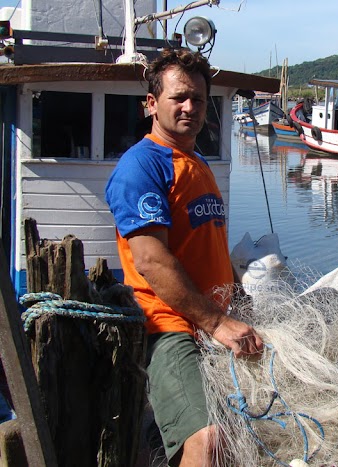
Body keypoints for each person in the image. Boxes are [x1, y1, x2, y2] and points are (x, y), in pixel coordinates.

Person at [105, 48, 263, 466]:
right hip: (172, 327)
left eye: (197, 97)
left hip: (215, 322)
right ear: (152, 104)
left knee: (252, 428)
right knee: (208, 439)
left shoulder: (197, 163)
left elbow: (210, 243)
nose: (190, 106)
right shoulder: (142, 165)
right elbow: (152, 261)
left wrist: (239, 300)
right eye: (178, 98)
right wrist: (216, 322)